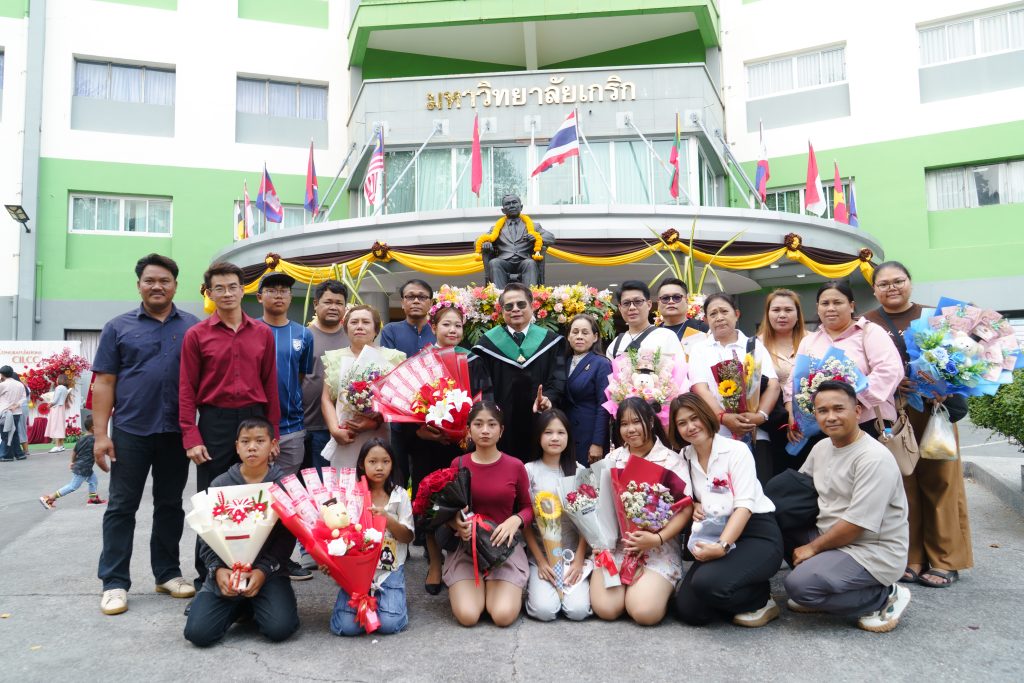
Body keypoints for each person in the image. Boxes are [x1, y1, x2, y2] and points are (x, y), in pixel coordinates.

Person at [93, 253, 200, 616]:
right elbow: (104, 382)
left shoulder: (193, 327)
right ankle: (114, 583)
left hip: (175, 432)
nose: (157, 286)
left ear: (175, 286)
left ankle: (167, 573)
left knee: (170, 505)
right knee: (121, 506)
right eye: (150, 280)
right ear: (139, 285)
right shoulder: (117, 327)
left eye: (164, 281)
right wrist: (101, 435)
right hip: (131, 431)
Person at [865, 261, 972, 589]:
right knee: (903, 484)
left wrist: (943, 384)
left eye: (898, 281)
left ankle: (944, 559)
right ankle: (911, 557)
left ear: (910, 283)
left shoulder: (935, 318)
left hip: (934, 412)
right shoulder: (866, 323)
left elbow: (963, 359)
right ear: (874, 290)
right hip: (892, 415)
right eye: (884, 284)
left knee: (941, 482)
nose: (892, 288)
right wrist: (891, 381)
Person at [179, 260, 281, 591]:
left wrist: (273, 434)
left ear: (243, 290)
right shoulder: (196, 335)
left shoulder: (262, 333)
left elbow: (270, 386)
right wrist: (191, 435)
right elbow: (186, 388)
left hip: (254, 418)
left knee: (258, 496)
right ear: (209, 293)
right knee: (211, 500)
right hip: (215, 421)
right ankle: (208, 579)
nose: (227, 293)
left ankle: (256, 571)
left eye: (233, 286)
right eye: (219, 288)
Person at [784, 380, 911, 633]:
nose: (830, 417)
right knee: (778, 519)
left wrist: (812, 548)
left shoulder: (873, 458)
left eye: (838, 408)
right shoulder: (822, 447)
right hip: (831, 536)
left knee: (800, 588)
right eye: (822, 410)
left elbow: (857, 525)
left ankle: (884, 596)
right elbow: (799, 491)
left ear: (857, 411)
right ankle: (823, 586)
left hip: (870, 549)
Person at [183, 417, 300, 646]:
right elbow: (206, 536)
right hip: (226, 573)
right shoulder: (220, 485)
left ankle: (259, 603)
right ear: (237, 446)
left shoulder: (283, 485)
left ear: (273, 445)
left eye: (260, 441)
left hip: (268, 573)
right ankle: (240, 607)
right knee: (198, 633)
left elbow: (287, 538)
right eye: (245, 441)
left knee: (280, 628)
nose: (252, 447)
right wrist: (217, 570)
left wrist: (263, 571)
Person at [669, 394, 783, 628]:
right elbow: (686, 497)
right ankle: (732, 589)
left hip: (755, 533)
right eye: (682, 423)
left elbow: (744, 506)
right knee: (689, 611)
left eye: (695, 418)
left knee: (707, 585)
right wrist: (694, 504)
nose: (690, 427)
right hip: (715, 531)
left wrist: (722, 547)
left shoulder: (736, 450)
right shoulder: (685, 456)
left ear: (706, 416)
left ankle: (762, 597)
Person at [411, 302, 492, 595]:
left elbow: (485, 398)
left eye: (458, 325)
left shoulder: (473, 360)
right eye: (446, 324)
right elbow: (409, 403)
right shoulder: (421, 361)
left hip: (464, 445)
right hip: (429, 445)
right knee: (431, 503)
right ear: (433, 327)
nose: (453, 330)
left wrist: (470, 432)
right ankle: (435, 561)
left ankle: (464, 557)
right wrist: (423, 431)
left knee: (464, 500)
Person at [590, 397, 694, 626]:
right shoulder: (612, 459)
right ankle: (632, 589)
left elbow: (685, 509)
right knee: (606, 609)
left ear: (650, 421)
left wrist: (657, 538)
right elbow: (598, 505)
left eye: (636, 422)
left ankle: (654, 590)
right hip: (617, 547)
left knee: (644, 612)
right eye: (624, 424)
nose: (630, 429)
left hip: (657, 548)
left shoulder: (671, 460)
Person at [444, 401, 532, 627]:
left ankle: (494, 589)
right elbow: (448, 508)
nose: (485, 430)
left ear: (501, 431)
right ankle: (478, 590)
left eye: (492, 425)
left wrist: (516, 520)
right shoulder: (458, 463)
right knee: (468, 616)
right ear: (469, 430)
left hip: (503, 548)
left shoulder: (515, 466)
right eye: (478, 424)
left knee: (502, 616)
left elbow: (528, 507)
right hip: (467, 548)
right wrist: (455, 523)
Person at [784, 281, 903, 447]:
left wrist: (848, 401)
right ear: (818, 308)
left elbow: (889, 370)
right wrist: (793, 413)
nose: (831, 308)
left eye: (837, 302)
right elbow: (793, 382)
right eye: (825, 303)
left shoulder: (870, 332)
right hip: (822, 428)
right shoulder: (809, 341)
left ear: (851, 306)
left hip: (868, 422)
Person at [256, 271, 315, 581]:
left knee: (288, 497)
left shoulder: (303, 335)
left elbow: (300, 377)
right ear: (260, 297)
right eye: (272, 290)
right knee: (258, 495)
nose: (278, 295)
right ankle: (253, 556)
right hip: (255, 431)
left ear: (291, 298)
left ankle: (281, 558)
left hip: (292, 427)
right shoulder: (252, 330)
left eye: (284, 291)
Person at [688, 293, 781, 486]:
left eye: (724, 311)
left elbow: (773, 384)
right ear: (706, 320)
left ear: (736, 314)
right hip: (717, 434)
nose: (719, 317)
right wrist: (723, 417)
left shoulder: (753, 345)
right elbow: (700, 388)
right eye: (713, 314)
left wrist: (760, 416)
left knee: (760, 487)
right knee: (724, 488)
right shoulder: (699, 350)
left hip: (755, 432)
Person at [472, 282, 566, 461]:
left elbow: (558, 379)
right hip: (501, 424)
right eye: (509, 306)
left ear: (532, 306)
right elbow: (482, 387)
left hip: (540, 421)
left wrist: (548, 398)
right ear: (502, 311)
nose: (515, 309)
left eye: (521, 304)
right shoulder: (486, 346)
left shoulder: (551, 342)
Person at [329, 438, 413, 636]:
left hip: (390, 569)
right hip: (357, 571)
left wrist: (387, 519)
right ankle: (365, 600)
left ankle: (393, 601)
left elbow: (408, 537)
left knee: (389, 625)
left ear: (392, 464)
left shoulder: (400, 495)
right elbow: (337, 531)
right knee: (347, 627)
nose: (379, 467)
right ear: (362, 464)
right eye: (373, 461)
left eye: (385, 461)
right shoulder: (352, 494)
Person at [523, 409, 591, 621]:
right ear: (538, 436)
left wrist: (579, 560)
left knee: (578, 611)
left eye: (561, 432)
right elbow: (525, 522)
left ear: (568, 437)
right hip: (541, 556)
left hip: (573, 556)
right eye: (548, 432)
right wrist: (541, 561)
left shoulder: (579, 471)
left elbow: (587, 521)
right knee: (544, 611)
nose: (555, 438)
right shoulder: (528, 471)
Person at [320, 305, 405, 470]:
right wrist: (335, 430)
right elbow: (326, 399)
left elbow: (399, 399)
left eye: (365, 322)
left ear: (376, 329)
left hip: (378, 432)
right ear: (346, 328)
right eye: (354, 322)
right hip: (344, 432)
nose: (359, 326)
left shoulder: (392, 357)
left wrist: (375, 422)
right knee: (345, 480)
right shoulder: (335, 357)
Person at [380, 279, 437, 487]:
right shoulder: (391, 331)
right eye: (410, 297)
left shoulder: (438, 330)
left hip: (431, 419)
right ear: (403, 302)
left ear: (431, 303)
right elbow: (389, 372)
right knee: (398, 477)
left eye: (422, 297)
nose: (416, 301)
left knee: (427, 478)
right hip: (400, 418)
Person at [301, 280, 349, 478]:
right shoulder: (303, 336)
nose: (333, 307)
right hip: (309, 425)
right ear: (315, 304)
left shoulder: (352, 337)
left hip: (345, 426)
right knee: (313, 484)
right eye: (328, 302)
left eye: (339, 303)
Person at [757, 289, 808, 474]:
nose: (782, 315)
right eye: (776, 310)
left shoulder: (812, 341)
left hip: (810, 422)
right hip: (774, 423)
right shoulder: (755, 345)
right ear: (768, 313)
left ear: (798, 313)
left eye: (788, 310)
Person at [564, 314, 612, 466]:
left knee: (587, 479)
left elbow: (604, 406)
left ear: (595, 337)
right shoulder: (563, 362)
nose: (579, 336)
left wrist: (597, 443)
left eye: (585, 333)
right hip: (566, 432)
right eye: (575, 332)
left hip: (588, 434)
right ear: (568, 336)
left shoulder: (601, 364)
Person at [481, 194, 556, 288]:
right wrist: (486, 243)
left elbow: (551, 238)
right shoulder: (496, 228)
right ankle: (498, 295)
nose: (511, 205)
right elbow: (478, 241)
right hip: (504, 261)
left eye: (514, 202)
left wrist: (536, 237)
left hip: (524, 260)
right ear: (503, 210)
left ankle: (531, 295)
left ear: (521, 207)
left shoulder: (533, 226)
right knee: (494, 262)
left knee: (530, 263)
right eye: (508, 204)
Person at [39, 414, 108, 508]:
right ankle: (49, 498)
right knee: (73, 486)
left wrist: (72, 461)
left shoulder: (81, 438)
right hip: (83, 468)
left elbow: (74, 451)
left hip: (82, 466)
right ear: (93, 428)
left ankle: (93, 499)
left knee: (93, 481)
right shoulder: (94, 439)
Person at [606, 281, 683, 360]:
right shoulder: (615, 344)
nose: (632, 307)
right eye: (626, 303)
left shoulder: (666, 336)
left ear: (649, 305)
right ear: (620, 308)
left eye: (638, 301)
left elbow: (680, 366)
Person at [0, 366, 26, 461]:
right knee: (14, 433)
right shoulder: (20, 384)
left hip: (5, 412)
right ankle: (19, 454)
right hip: (16, 412)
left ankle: (6, 455)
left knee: (5, 434)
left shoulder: (3, 385)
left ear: (2, 374)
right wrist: (17, 405)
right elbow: (24, 397)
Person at [44, 374, 74, 452]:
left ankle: (57, 446)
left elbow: (55, 399)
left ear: (60, 379)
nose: (56, 380)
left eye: (57, 379)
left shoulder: (59, 387)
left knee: (56, 426)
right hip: (61, 408)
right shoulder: (65, 388)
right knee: (60, 426)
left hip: (56, 408)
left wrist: (50, 404)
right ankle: (61, 445)